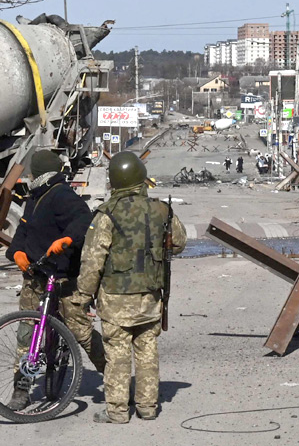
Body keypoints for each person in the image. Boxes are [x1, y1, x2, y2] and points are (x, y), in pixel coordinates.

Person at [78, 151, 186, 424]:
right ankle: (148, 407)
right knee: (147, 350)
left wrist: (82, 296)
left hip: (115, 299)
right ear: (140, 179)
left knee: (117, 354)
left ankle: (117, 411)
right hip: (150, 296)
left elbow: (93, 261)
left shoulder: (106, 215)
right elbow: (180, 242)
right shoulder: (161, 209)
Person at [7, 148, 105, 410]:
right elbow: (24, 229)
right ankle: (22, 388)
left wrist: (67, 239)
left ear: (38, 173)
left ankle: (113, 375)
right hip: (36, 278)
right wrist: (16, 251)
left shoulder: (61, 195)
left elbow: (85, 220)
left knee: (82, 334)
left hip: (62, 280)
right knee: (27, 335)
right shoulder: (35, 196)